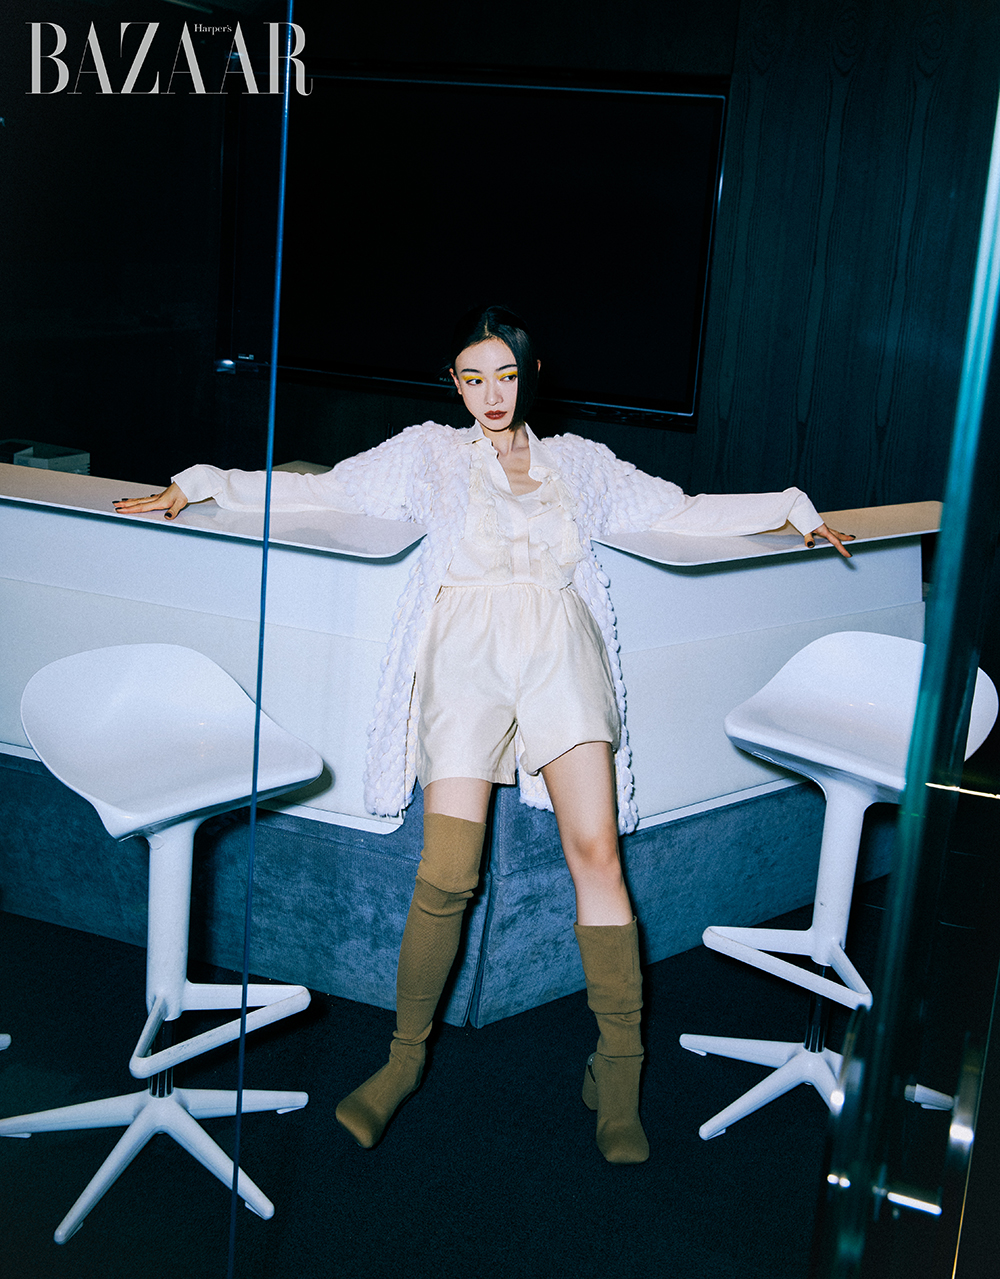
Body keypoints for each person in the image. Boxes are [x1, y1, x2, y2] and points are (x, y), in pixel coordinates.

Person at [114, 305, 853, 1164]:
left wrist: (792, 508)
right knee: (446, 868)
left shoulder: (582, 462)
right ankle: (403, 1059)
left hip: (559, 649)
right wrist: (205, 480)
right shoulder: (426, 452)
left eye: (505, 375)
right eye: (474, 377)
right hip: (464, 656)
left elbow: (681, 510)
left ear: (529, 376)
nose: (491, 394)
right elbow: (325, 488)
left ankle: (617, 1072)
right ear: (455, 384)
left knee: (596, 853)